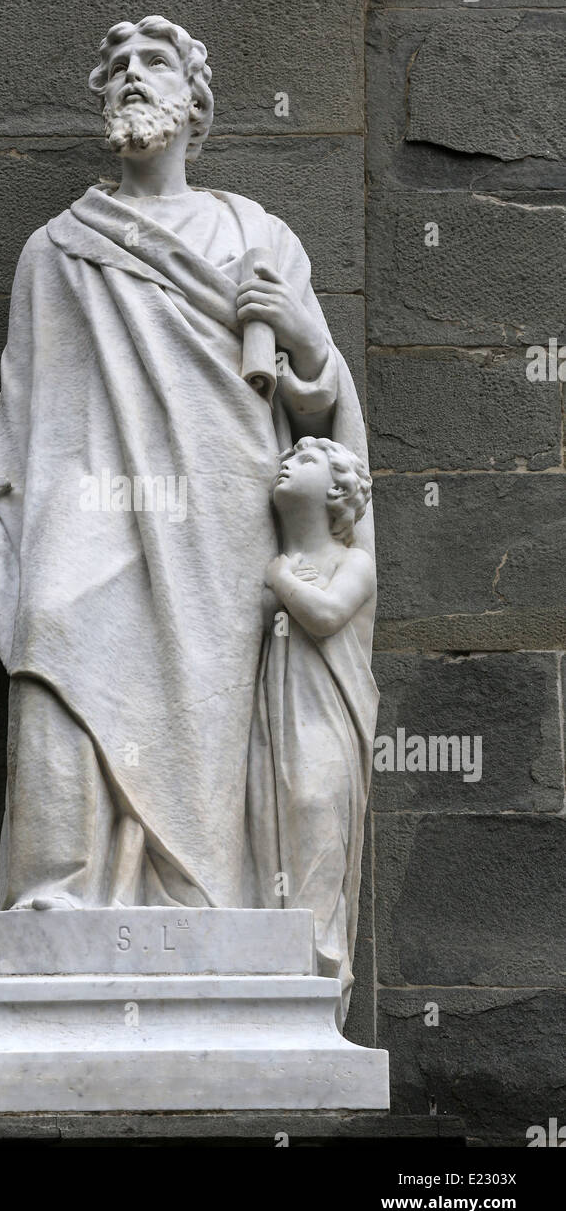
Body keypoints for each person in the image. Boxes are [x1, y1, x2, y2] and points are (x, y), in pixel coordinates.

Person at [0, 17, 374, 948]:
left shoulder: (255, 231)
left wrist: (306, 333)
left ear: (193, 102)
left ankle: (209, 902)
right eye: (118, 68)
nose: (133, 77)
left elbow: (323, 413)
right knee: (51, 621)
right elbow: (27, 392)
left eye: (154, 64)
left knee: (208, 694)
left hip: (222, 499)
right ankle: (58, 897)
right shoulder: (56, 247)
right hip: (87, 494)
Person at [252, 437, 377, 1024]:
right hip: (274, 719)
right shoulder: (271, 562)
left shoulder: (352, 562)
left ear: (337, 488)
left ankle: (318, 972)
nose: (286, 460)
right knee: (267, 828)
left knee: (314, 811)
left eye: (303, 459)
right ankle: (272, 972)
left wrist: (281, 581)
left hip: (327, 719)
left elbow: (325, 617)